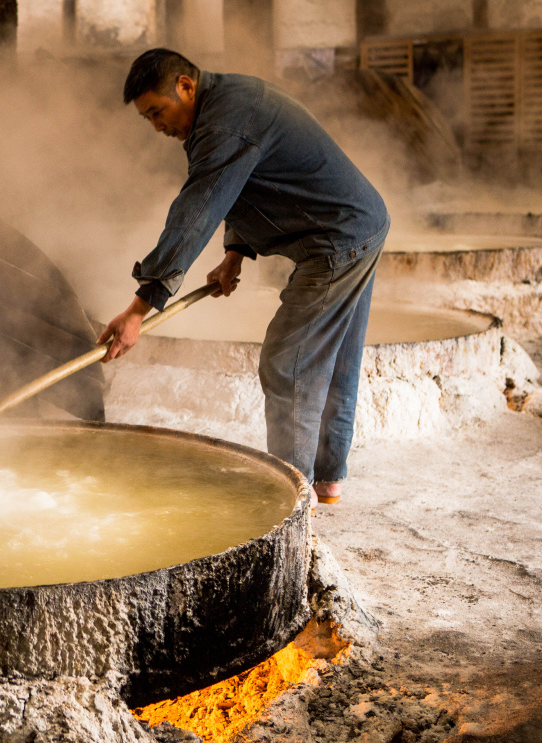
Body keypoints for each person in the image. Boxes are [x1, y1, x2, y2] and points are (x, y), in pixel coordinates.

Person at [97, 49, 390, 504]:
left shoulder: (226, 120)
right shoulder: (230, 102)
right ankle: (326, 480)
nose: (157, 126)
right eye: (147, 118)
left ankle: (291, 496)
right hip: (358, 225)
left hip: (336, 239)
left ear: (186, 87)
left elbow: (196, 211)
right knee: (334, 358)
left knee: (287, 360)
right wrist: (235, 252)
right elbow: (247, 182)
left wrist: (140, 307)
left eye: (158, 111)